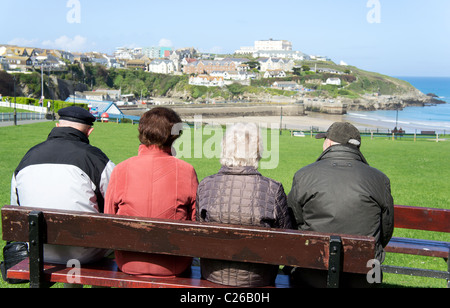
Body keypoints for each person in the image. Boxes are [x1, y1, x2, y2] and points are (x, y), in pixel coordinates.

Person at [287, 122, 394, 288]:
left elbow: (293, 221)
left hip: (312, 274)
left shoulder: (304, 175)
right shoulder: (379, 179)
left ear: (329, 143)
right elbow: (385, 229)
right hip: (364, 278)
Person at [11, 106, 115, 265]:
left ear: (57, 126)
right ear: (89, 132)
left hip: (37, 249)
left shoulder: (28, 157)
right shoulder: (96, 159)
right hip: (85, 251)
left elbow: (15, 207)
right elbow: (113, 205)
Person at [196, 123, 293, 287]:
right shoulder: (273, 189)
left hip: (213, 275)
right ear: (257, 152)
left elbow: (198, 228)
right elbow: (287, 239)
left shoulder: (206, 185)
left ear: (225, 149)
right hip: (259, 278)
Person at [105, 107, 198, 277]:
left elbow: (108, 218)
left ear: (141, 132)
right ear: (174, 136)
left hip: (128, 261)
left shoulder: (121, 170)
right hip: (173, 264)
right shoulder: (186, 171)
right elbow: (194, 222)